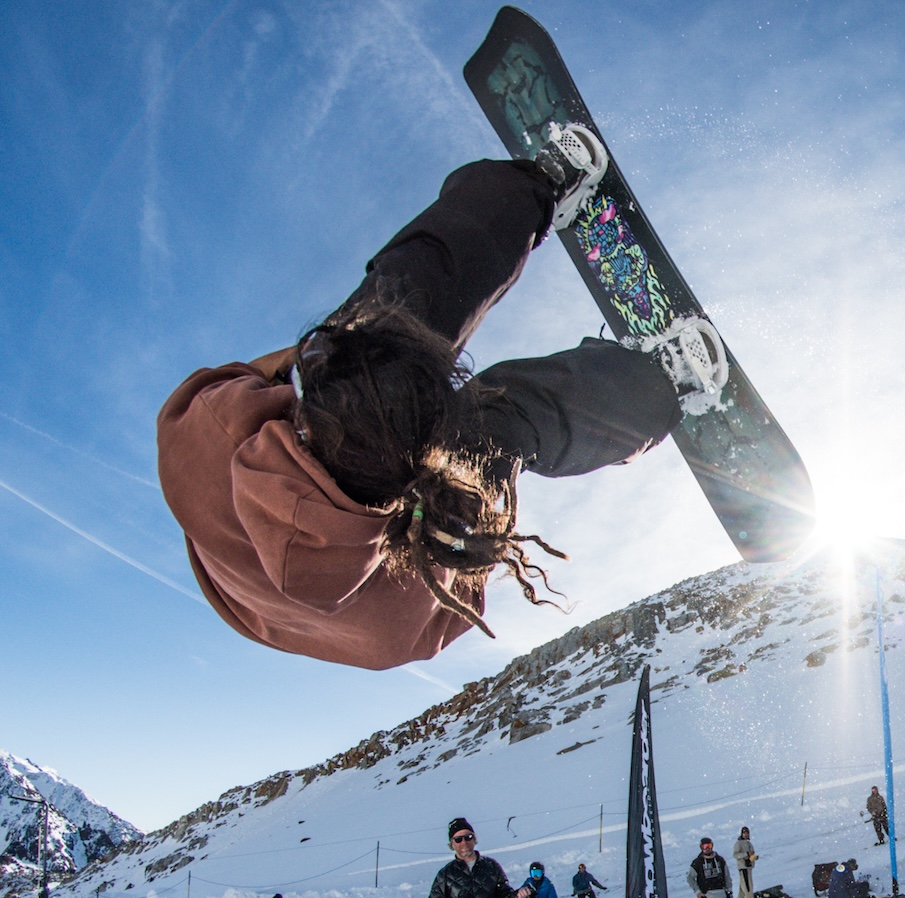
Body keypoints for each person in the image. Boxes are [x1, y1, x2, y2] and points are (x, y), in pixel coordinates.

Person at [155, 135, 688, 670]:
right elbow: (462, 593)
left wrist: (334, 349)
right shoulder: (400, 609)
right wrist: (475, 503)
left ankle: (535, 188)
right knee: (497, 424)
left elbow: (277, 365)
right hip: (327, 601)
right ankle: (660, 388)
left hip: (227, 528)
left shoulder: (201, 425)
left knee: (390, 310)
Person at [731, 829, 758, 898]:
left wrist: (753, 858)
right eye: (744, 833)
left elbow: (751, 854)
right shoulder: (738, 843)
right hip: (743, 868)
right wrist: (746, 854)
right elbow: (735, 855)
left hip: (748, 868)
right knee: (748, 887)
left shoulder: (749, 844)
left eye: (747, 833)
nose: (746, 835)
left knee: (743, 887)